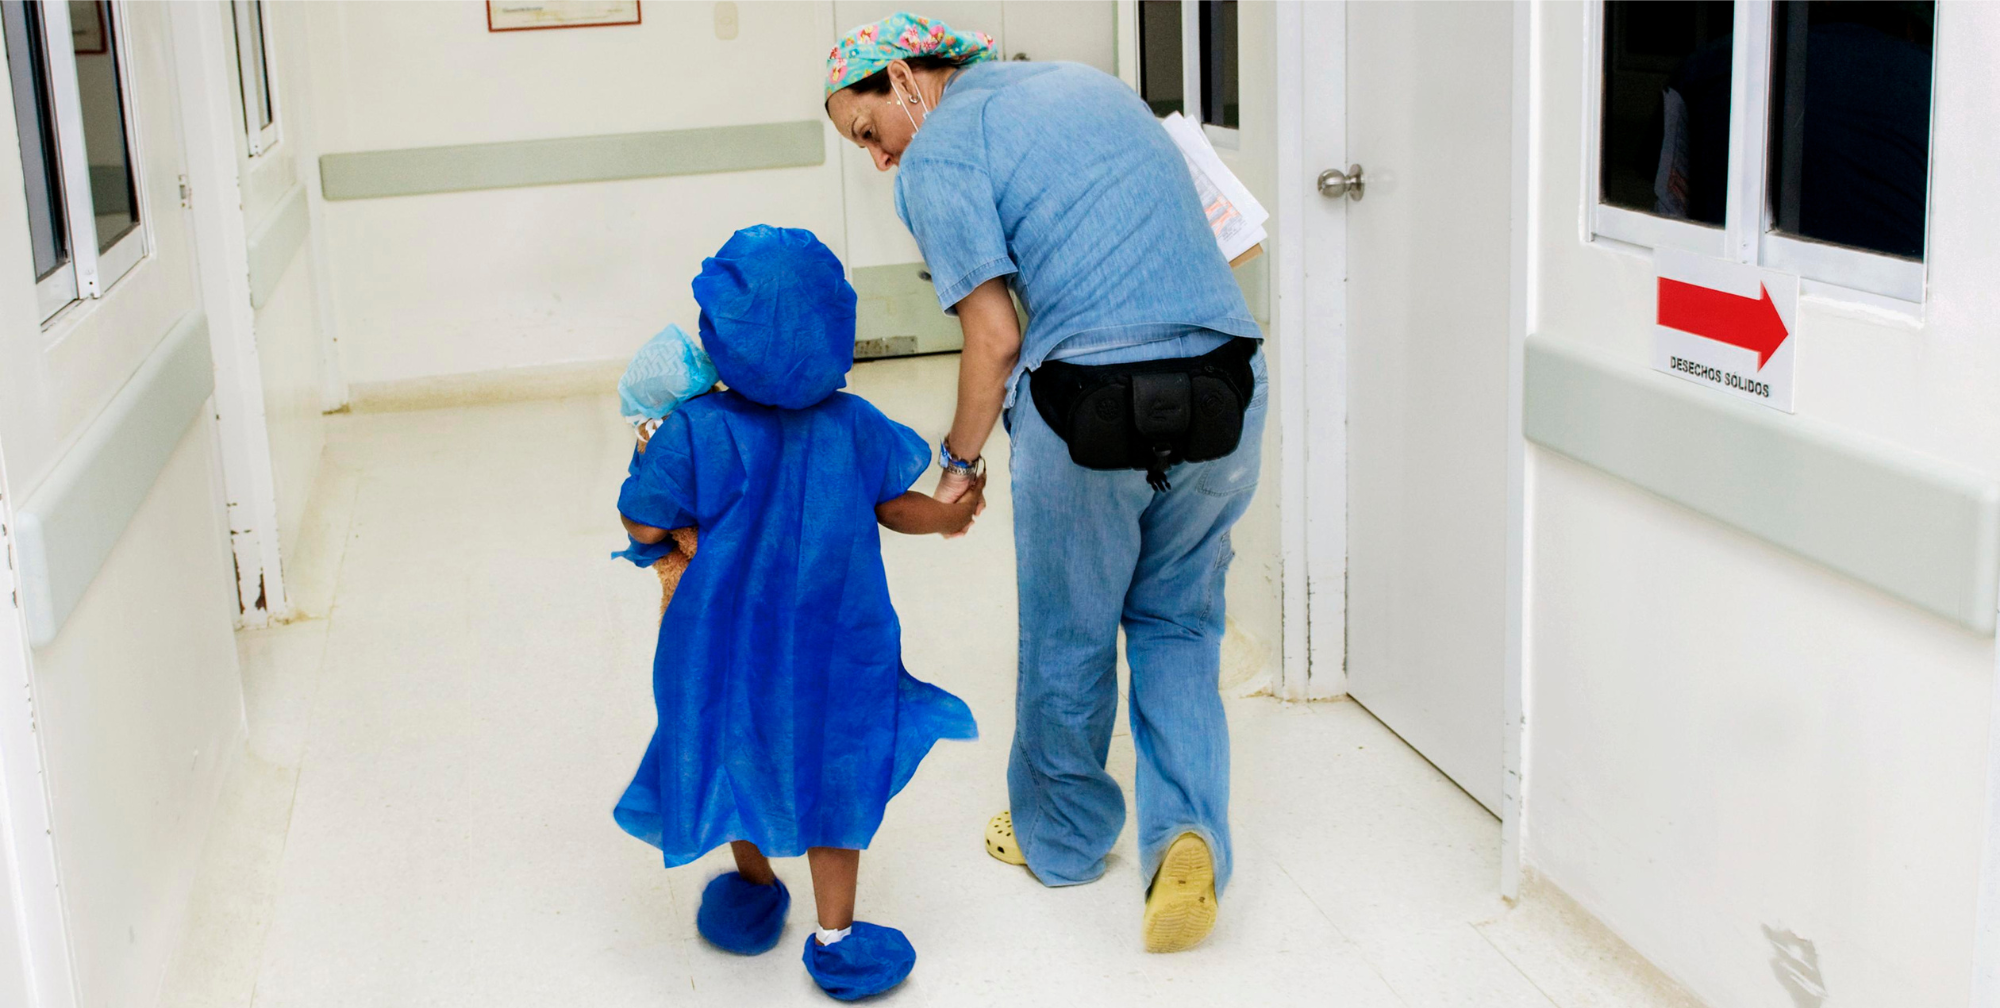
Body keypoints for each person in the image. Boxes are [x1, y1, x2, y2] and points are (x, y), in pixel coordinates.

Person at [823, 13, 1268, 953]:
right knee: (1180, 622)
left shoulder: (941, 154)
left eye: (867, 133)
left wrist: (956, 468)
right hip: (1228, 389)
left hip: (1091, 404)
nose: (878, 162)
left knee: (1071, 626)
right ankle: (1186, 834)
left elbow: (996, 334)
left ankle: (1062, 841)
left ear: (903, 78)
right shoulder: (1096, 87)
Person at [611, 224, 983, 1000]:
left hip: (719, 643)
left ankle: (752, 891)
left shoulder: (694, 430)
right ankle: (838, 937)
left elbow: (644, 524)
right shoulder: (854, 424)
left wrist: (654, 487)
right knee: (832, 769)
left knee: (730, 743)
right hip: (838, 644)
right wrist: (948, 515)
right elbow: (899, 508)